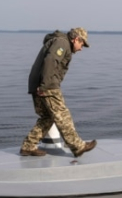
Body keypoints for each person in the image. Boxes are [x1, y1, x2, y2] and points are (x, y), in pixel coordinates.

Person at [20, 28, 97, 157]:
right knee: (62, 115)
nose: (81, 48)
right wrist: (45, 86)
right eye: (82, 44)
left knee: (47, 117)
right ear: (76, 39)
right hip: (47, 85)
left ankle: (28, 146)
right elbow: (51, 61)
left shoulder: (59, 42)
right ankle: (78, 146)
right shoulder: (62, 43)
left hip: (38, 83)